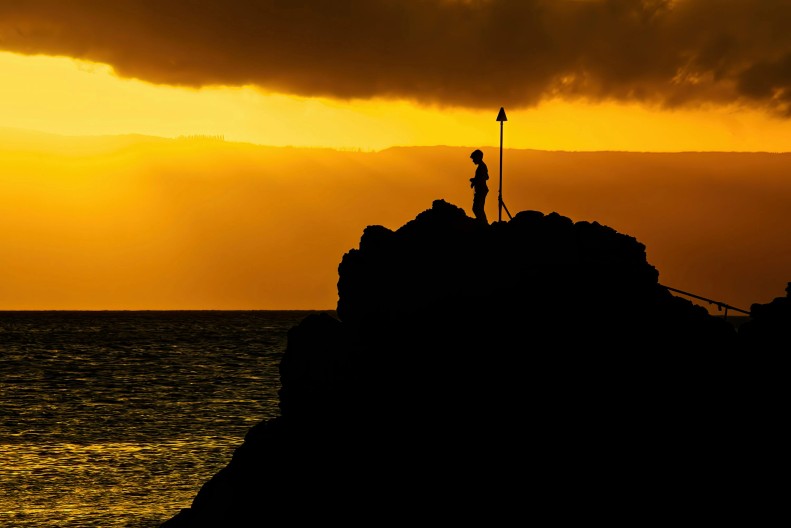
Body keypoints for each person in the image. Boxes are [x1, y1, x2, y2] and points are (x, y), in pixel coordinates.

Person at [469, 149, 489, 224]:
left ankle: (483, 223)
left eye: (474, 158)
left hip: (481, 190)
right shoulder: (481, 166)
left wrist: (475, 180)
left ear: (478, 157)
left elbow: (486, 177)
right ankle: (482, 222)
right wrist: (474, 181)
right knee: (477, 208)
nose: (473, 160)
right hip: (480, 190)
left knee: (477, 208)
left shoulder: (482, 167)